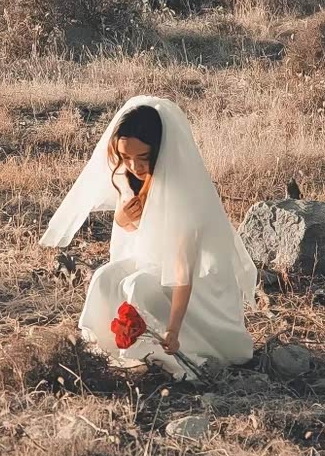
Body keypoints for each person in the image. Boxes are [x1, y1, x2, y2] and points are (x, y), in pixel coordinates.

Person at [40, 96, 257, 378]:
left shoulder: (184, 194)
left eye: (143, 158)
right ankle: (100, 347)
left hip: (196, 284)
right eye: (126, 157)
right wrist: (124, 217)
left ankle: (148, 353)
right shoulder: (130, 177)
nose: (133, 166)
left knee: (137, 284)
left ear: (160, 151)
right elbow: (131, 231)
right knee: (104, 277)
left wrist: (173, 330)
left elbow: (183, 270)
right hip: (153, 264)